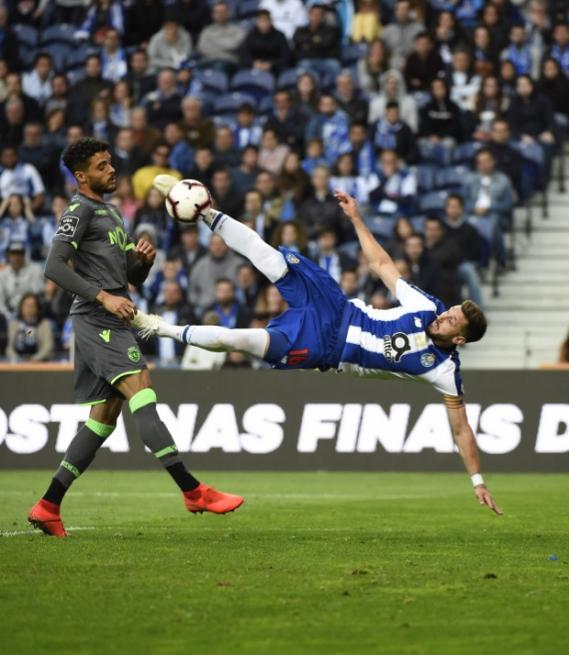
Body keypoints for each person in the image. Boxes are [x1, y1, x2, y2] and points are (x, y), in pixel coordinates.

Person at [133, 189, 501, 515]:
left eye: (451, 322)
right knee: (269, 257)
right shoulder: (426, 306)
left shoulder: (443, 371)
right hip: (334, 305)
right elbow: (382, 265)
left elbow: (461, 429)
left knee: (243, 341)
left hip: (325, 349)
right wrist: (357, 218)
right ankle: (207, 212)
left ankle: (158, 327)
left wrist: (478, 480)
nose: (443, 317)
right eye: (448, 312)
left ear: (459, 341)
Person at [27, 139, 242, 538]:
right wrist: (103, 296)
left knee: (103, 420)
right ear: (81, 176)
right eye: (102, 165)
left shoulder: (111, 212)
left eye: (110, 162)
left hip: (111, 317)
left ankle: (48, 505)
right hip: (98, 319)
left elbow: (128, 277)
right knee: (141, 391)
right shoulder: (79, 211)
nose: (111, 169)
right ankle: (192, 490)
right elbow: (54, 266)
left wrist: (141, 263)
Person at [7, 292, 54, 362]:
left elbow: (48, 347)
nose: (29, 308)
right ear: (21, 307)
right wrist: (16, 360)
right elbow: (9, 348)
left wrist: (33, 360)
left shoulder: (45, 324)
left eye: (32, 305)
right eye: (26, 305)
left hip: (39, 363)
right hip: (17, 363)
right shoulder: (14, 324)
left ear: (37, 308)